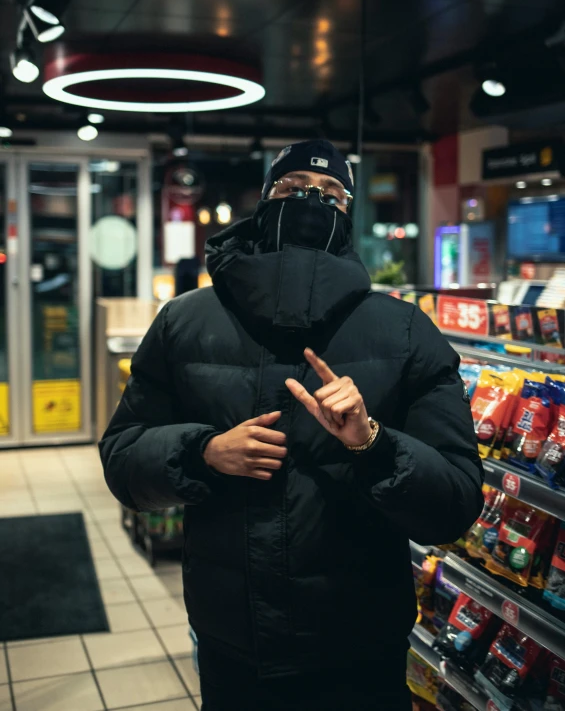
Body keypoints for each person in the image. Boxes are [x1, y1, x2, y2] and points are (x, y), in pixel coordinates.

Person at [100, 139, 484, 711]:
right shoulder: (185, 322)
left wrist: (373, 443)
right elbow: (123, 460)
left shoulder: (405, 332)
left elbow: (455, 502)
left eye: (331, 192)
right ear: (264, 201)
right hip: (234, 637)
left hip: (360, 643)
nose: (311, 198)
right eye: (292, 185)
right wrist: (203, 451)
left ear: (349, 216)